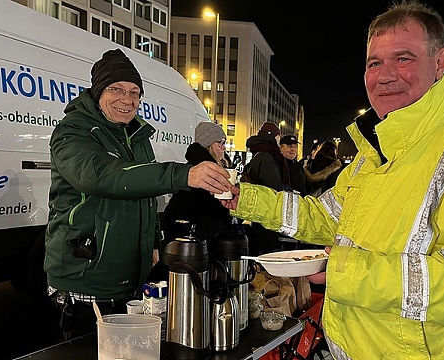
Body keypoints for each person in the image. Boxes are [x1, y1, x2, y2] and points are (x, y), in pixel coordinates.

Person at [221, 2, 444, 359]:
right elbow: (323, 217)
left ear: (439, 62)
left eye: (403, 59)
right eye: (374, 63)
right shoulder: (372, 156)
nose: (384, 76)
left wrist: (344, 272)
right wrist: (243, 198)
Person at [44, 49, 232, 340]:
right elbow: (103, 176)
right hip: (87, 276)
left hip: (132, 276)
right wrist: (184, 174)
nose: (127, 99)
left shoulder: (137, 135)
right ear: (97, 93)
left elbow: (145, 193)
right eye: (116, 89)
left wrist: (154, 241)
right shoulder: (73, 131)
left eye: (134, 92)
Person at [162, 122, 233, 244]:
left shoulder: (214, 168)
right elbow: (177, 209)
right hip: (200, 241)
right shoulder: (197, 171)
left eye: (224, 143)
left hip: (210, 238)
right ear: (208, 144)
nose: (224, 148)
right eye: (219, 143)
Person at [244, 122, 292, 255]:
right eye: (277, 137)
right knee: (267, 247)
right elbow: (273, 185)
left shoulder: (260, 152)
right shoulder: (266, 155)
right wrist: (289, 190)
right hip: (266, 209)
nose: (278, 140)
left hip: (261, 209)